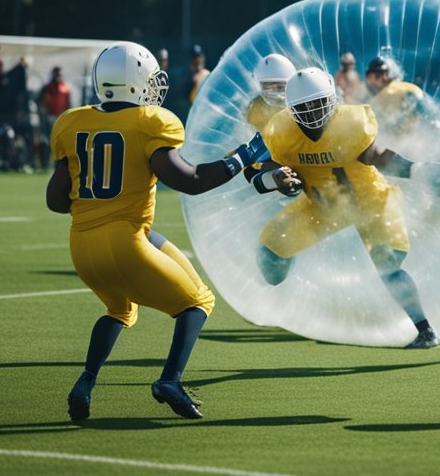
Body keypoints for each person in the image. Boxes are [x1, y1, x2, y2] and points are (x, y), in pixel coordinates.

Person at [46, 41, 281, 422]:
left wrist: (99, 199)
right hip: (125, 243)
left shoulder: (72, 123)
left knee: (119, 311)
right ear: (136, 82)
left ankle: (86, 381)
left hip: (81, 247)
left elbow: (56, 200)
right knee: (199, 302)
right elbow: (189, 180)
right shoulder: (151, 123)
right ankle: (169, 380)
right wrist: (242, 157)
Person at [250, 68, 440, 349]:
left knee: (388, 265)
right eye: (304, 107)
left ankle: (425, 330)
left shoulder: (351, 122)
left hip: (370, 201)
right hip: (322, 206)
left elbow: (376, 156)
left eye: (318, 104)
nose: (312, 113)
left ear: (332, 99)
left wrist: (422, 171)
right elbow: (260, 175)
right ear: (291, 109)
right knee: (270, 254)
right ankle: (285, 268)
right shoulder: (280, 131)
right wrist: (278, 180)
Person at [364, 56, 425, 137]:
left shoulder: (383, 94)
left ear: (385, 76)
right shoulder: (406, 86)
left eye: (372, 78)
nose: (370, 83)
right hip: (417, 103)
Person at [247, 54, 296, 131]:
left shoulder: (305, 102)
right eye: (268, 88)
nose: (276, 94)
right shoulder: (255, 110)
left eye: (280, 87)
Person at [38, 66, 73, 148]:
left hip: (61, 118)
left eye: (59, 74)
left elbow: (68, 104)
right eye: (56, 74)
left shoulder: (65, 88)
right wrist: (44, 114)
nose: (57, 76)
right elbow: (40, 102)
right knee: (48, 140)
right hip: (49, 118)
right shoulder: (47, 88)